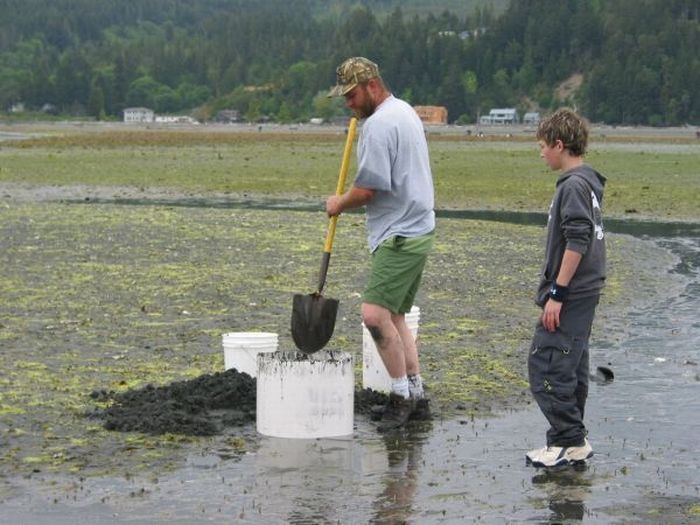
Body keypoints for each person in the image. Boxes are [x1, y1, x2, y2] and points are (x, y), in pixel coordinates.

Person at [326, 57, 435, 431]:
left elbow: (370, 188)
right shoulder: (404, 111)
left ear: (372, 85)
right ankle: (418, 397)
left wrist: (339, 203)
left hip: (401, 234)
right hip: (419, 227)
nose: (348, 103)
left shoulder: (380, 124)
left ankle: (401, 396)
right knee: (395, 317)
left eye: (352, 95)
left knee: (373, 316)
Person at [525, 108, 607, 468]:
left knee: (546, 363)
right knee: (571, 365)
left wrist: (557, 293)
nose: (540, 153)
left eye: (543, 146)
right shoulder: (585, 184)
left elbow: (578, 238)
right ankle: (573, 441)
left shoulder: (574, 186)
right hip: (585, 290)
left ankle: (567, 439)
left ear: (560, 144)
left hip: (572, 292)